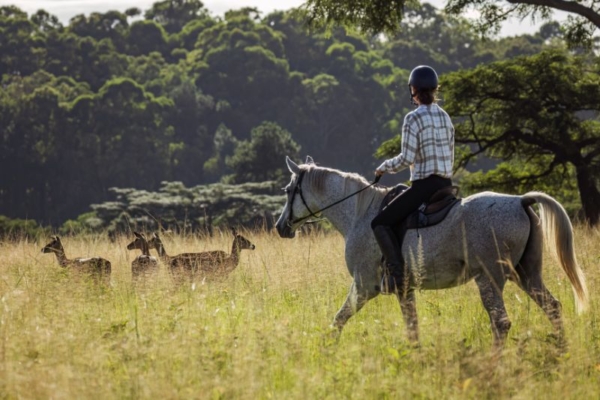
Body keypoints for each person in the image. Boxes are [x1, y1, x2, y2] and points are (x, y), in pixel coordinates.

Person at [372, 65, 454, 295]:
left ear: (414, 90)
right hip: (447, 186)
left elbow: (406, 158)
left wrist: (382, 169)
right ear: (435, 89)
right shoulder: (445, 116)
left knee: (379, 223)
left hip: (424, 188)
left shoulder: (413, 118)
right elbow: (451, 153)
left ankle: (398, 277)